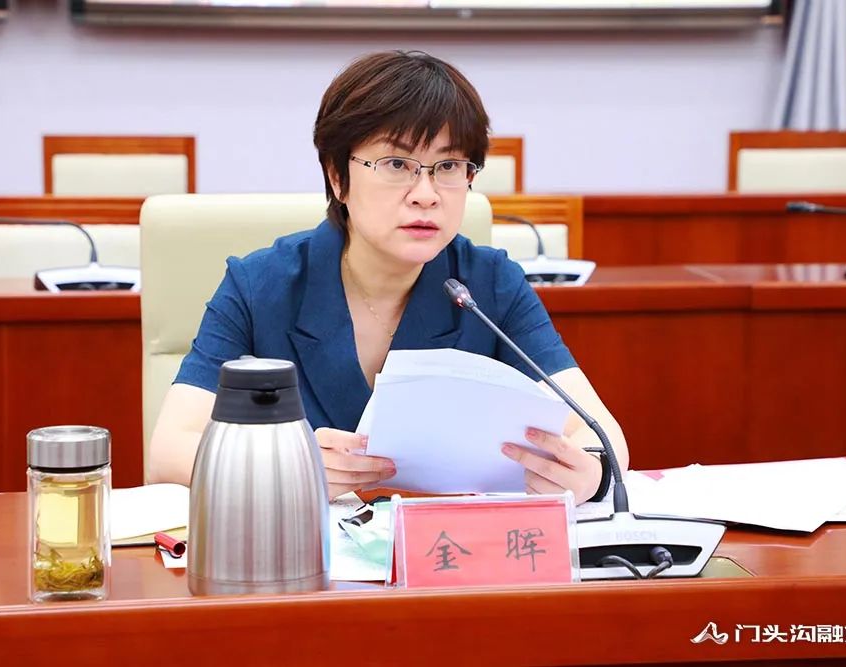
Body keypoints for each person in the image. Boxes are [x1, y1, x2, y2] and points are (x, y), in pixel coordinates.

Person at [148, 50, 627, 503]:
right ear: (338, 176)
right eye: (397, 164)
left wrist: (592, 472)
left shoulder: (488, 285)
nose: (426, 194)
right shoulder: (261, 285)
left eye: (448, 166)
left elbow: (601, 437)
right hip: (302, 553)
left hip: (450, 555)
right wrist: (289, 467)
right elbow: (169, 451)